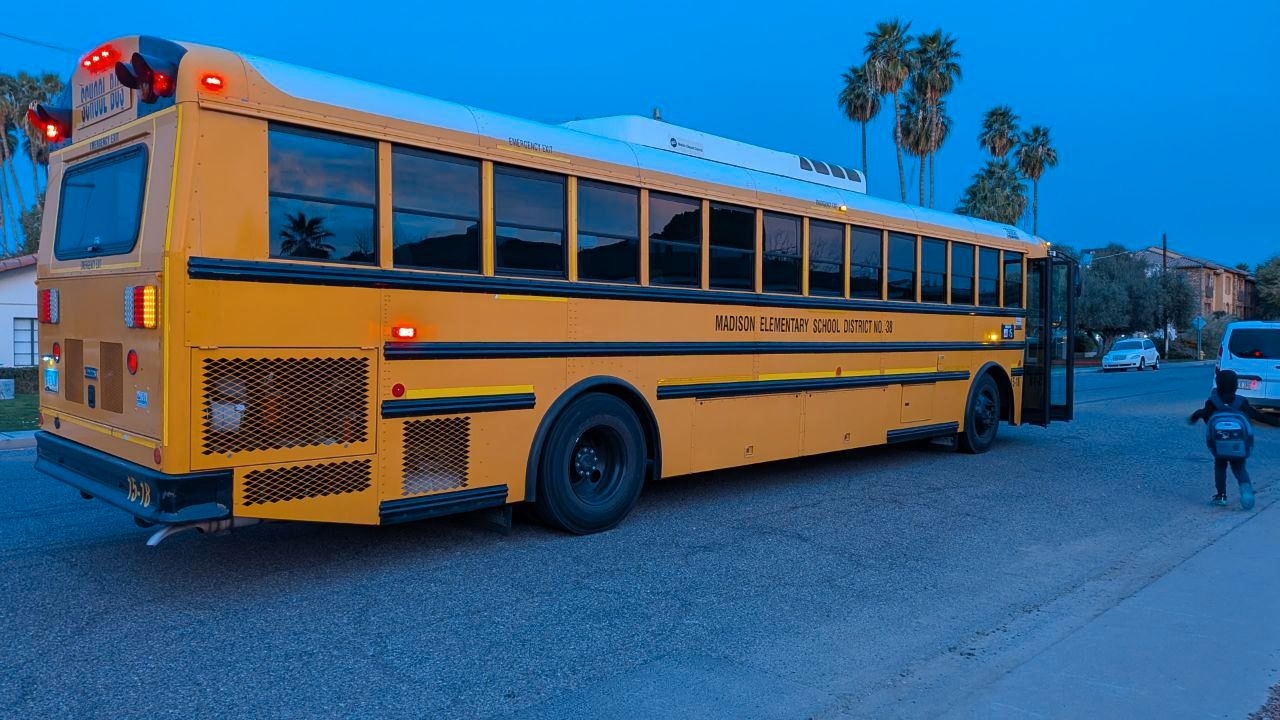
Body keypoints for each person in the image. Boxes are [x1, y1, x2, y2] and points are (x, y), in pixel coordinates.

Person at [1188, 369, 1279, 508]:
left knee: (1220, 466)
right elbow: (1257, 416)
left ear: (1218, 384)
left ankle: (1221, 496)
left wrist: (1193, 418)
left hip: (1219, 444)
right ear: (1236, 385)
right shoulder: (1241, 402)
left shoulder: (1212, 402)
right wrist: (1276, 422)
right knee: (1239, 467)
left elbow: (1204, 415)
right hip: (1238, 444)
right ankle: (1246, 488)